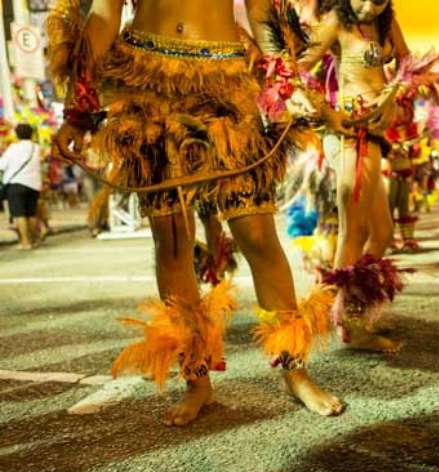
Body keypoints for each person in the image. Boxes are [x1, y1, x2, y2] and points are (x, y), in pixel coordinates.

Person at [47, 0, 344, 425]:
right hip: (145, 82)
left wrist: (285, 83)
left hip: (227, 84)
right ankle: (197, 380)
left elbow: (262, 11)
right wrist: (78, 106)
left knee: (257, 234)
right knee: (171, 243)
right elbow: (105, 14)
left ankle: (294, 371)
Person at [292, 0, 413, 352]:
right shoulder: (335, 21)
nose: (367, 6)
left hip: (374, 134)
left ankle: (349, 309)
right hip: (350, 133)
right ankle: (346, 322)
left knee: (383, 233)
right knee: (354, 231)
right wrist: (327, 111)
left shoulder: (387, 22)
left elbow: (408, 66)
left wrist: (392, 97)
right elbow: (296, 70)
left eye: (378, 0)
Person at [0, 123, 42, 250]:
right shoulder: (36, 148)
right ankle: (34, 240)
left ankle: (25, 242)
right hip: (34, 184)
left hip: (16, 184)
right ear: (31, 134)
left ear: (16, 134)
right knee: (31, 214)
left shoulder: (13, 148)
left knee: (20, 214)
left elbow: (1, 165)